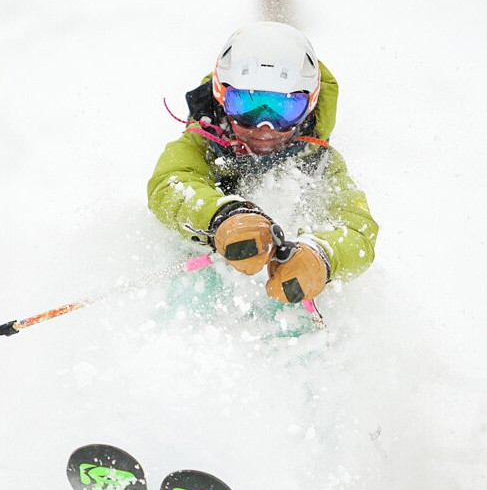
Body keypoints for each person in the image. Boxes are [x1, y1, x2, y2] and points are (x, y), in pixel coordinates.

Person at [147, 22, 377, 310]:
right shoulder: (200, 145)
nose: (264, 126)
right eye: (247, 105)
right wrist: (222, 217)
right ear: (221, 96)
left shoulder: (319, 164)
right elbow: (170, 184)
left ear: (309, 106)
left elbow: (358, 231)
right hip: (196, 294)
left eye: (285, 109)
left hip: (285, 304)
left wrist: (321, 257)